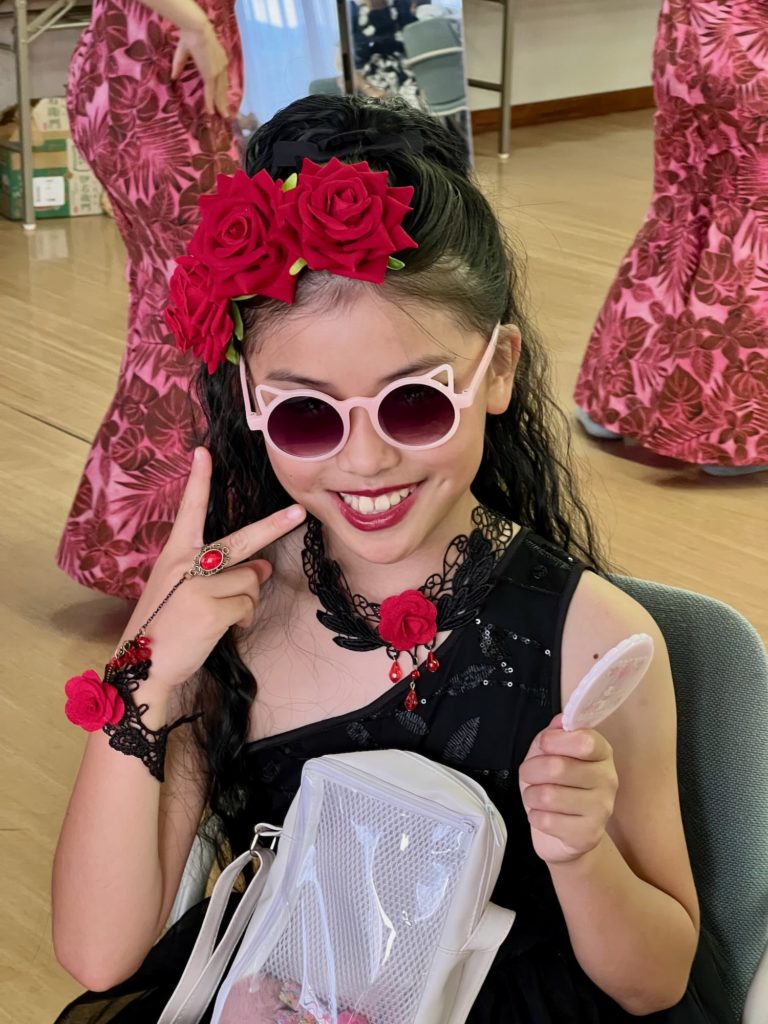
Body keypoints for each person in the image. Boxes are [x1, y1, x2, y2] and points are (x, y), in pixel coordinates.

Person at [51, 95, 735, 1023]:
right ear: (251, 400)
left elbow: (655, 981)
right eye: (308, 415)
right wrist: (148, 671)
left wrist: (582, 855)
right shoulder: (228, 621)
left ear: (498, 371)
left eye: (414, 402)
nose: (366, 460)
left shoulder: (591, 642)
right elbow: (99, 952)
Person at [56, 0, 243, 599]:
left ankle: (138, 543)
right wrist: (194, 23)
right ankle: (150, 548)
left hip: (154, 70)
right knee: (194, 311)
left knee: (176, 309)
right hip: (154, 72)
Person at [574, 0, 768, 476]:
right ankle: (726, 430)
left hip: (691, 29)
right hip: (751, 42)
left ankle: (617, 400)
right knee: (749, 210)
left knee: (684, 203)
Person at [350, 0, 426, 109]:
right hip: (371, 82)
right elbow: (343, 67)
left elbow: (419, 43)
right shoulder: (351, 10)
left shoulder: (402, 5)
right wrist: (370, 90)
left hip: (409, 73)